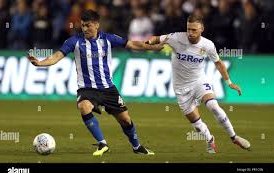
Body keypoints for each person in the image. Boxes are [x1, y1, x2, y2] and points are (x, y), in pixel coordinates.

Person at [27, 9, 165, 156]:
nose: (85, 28)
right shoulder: (74, 41)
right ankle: (102, 143)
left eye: (88, 25)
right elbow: (56, 57)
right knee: (83, 106)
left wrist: (152, 47)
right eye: (83, 25)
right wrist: (41, 63)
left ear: (97, 25)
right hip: (87, 88)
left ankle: (137, 147)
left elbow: (133, 45)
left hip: (108, 88)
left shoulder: (108, 39)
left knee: (125, 120)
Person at [146, 14, 251, 153]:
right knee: (196, 124)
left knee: (213, 106)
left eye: (194, 30)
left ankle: (234, 137)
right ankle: (210, 140)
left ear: (202, 29)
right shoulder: (176, 37)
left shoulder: (208, 45)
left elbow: (218, 63)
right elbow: (157, 38)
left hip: (199, 81)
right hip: (180, 88)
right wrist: (148, 42)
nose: (190, 33)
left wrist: (229, 82)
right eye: (188, 29)